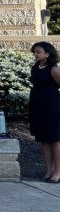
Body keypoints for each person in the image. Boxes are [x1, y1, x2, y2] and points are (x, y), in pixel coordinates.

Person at [29, 41, 60, 183]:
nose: (36, 54)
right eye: (35, 52)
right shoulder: (35, 67)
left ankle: (58, 172)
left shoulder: (54, 69)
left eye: (39, 52)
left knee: (54, 139)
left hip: (52, 107)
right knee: (43, 139)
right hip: (38, 106)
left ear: (47, 53)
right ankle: (49, 170)